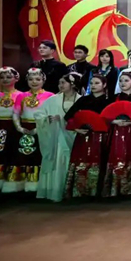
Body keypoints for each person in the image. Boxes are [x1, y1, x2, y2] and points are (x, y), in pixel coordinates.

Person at [35, 72, 82, 202]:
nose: (60, 85)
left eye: (63, 82)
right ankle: (54, 191)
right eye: (59, 83)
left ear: (72, 84)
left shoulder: (81, 100)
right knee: (57, 159)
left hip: (74, 135)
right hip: (55, 136)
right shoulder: (53, 99)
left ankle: (70, 191)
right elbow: (39, 114)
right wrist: (48, 119)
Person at [5, 68, 54, 193]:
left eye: (38, 79)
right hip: (24, 129)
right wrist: (19, 128)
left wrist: (39, 129)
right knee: (21, 157)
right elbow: (15, 113)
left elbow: (51, 115)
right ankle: (19, 185)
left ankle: (39, 185)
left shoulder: (50, 96)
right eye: (31, 79)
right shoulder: (21, 96)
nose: (34, 82)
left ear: (43, 80)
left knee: (38, 157)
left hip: (43, 129)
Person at [64, 75, 113, 198]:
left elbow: (112, 120)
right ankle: (79, 191)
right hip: (83, 136)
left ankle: (97, 192)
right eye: (91, 83)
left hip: (101, 137)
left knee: (100, 162)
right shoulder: (83, 100)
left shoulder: (109, 101)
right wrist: (76, 128)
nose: (93, 86)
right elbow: (69, 116)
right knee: (81, 163)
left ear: (104, 85)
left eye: (97, 83)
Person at [103, 71, 131, 198]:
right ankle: (115, 190)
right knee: (117, 158)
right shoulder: (113, 98)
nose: (123, 83)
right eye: (120, 81)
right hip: (117, 133)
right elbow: (104, 116)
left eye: (126, 80)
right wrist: (114, 121)